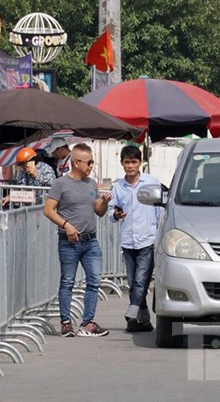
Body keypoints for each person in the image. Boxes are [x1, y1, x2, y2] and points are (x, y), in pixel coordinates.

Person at [43, 143, 111, 338]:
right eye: (88, 162)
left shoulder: (91, 184)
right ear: (76, 163)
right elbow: (48, 210)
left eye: (92, 162)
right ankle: (66, 323)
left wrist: (104, 202)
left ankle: (88, 322)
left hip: (91, 241)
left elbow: (98, 211)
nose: (91, 166)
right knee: (67, 282)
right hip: (69, 242)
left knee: (94, 281)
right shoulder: (60, 184)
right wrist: (66, 224)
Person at [110, 146, 161, 332]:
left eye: (134, 162)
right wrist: (116, 214)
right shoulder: (118, 186)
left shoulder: (151, 181)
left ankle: (132, 312)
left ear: (140, 163)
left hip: (147, 239)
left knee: (141, 280)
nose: (130, 166)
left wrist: (158, 237)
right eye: (127, 162)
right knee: (134, 282)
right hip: (128, 240)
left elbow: (159, 211)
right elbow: (111, 212)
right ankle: (143, 320)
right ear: (122, 163)